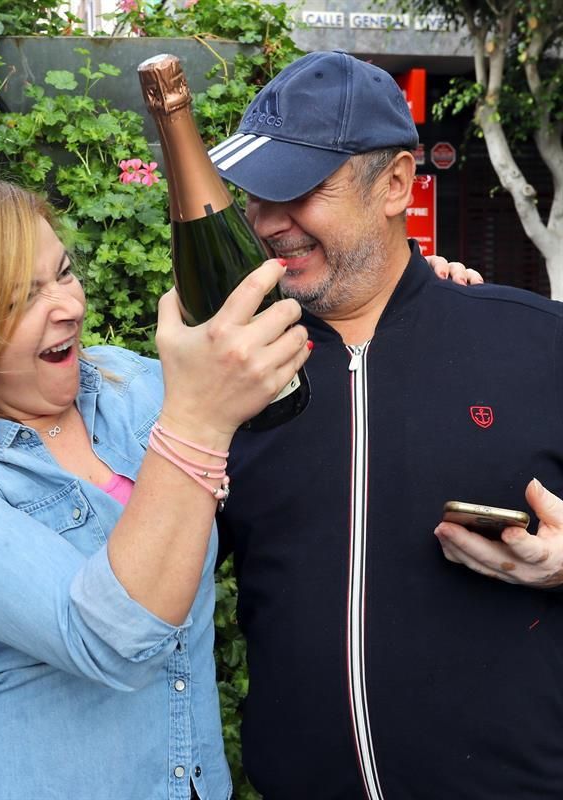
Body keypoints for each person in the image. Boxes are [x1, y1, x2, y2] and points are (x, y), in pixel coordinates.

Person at [0, 174, 311, 800]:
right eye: (21, 297)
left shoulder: (130, 387)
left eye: (63, 273)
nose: (69, 306)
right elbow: (112, 640)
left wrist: (409, 302)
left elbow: (283, 384)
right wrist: (197, 422)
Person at [205, 50, 563, 799]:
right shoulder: (228, 377)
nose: (267, 224)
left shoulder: (538, 344)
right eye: (255, 196)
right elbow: (153, 585)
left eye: (300, 190)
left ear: (396, 184)